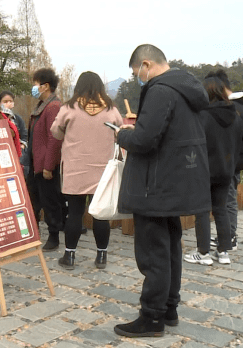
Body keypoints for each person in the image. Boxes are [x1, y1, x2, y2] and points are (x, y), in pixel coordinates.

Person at [113, 44, 210, 337]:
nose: (138, 78)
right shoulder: (185, 88)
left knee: (153, 253)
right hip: (173, 183)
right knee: (170, 248)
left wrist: (122, 135)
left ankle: (151, 317)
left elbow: (145, 139)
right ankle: (169, 308)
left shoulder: (160, 91)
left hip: (154, 186)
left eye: (136, 73)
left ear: (146, 64)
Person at [50, 71, 123, 270]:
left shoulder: (69, 108)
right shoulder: (110, 109)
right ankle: (101, 257)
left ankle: (70, 256)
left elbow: (55, 132)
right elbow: (121, 132)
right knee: (101, 215)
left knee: (74, 214)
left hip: (75, 169)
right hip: (102, 170)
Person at [184, 77, 243, 266]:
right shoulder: (236, 116)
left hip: (205, 170)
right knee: (221, 210)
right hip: (227, 171)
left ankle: (203, 253)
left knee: (202, 211)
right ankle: (223, 251)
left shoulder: (202, 116)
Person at [206, 69, 243, 252]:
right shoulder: (234, 109)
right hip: (232, 162)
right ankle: (227, 239)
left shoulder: (232, 110)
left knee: (226, 202)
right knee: (227, 201)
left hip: (225, 163)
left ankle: (229, 237)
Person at [28, 68, 64, 251]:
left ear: (45, 86)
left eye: (35, 84)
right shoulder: (42, 106)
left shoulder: (53, 107)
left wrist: (49, 166)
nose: (33, 88)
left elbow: (54, 138)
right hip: (37, 163)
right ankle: (34, 233)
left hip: (46, 165)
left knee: (50, 201)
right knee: (36, 198)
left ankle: (54, 236)